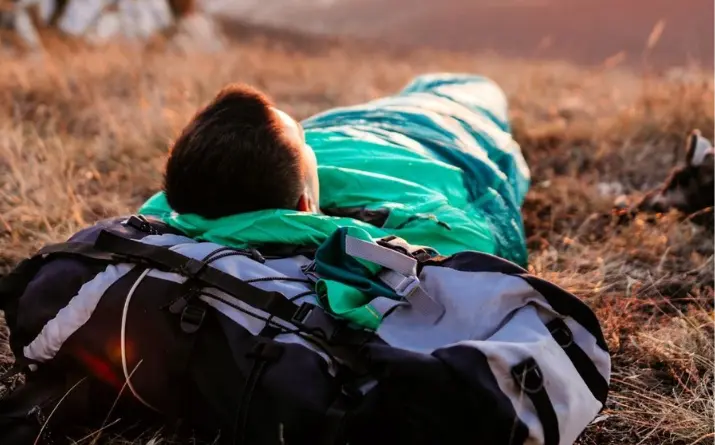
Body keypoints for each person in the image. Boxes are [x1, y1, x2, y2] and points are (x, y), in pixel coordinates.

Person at [140, 73, 530, 268]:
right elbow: (481, 242)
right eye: (305, 141)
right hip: (440, 129)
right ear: (305, 202)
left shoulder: (176, 211)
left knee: (423, 84)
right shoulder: (374, 234)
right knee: (471, 85)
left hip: (353, 121)